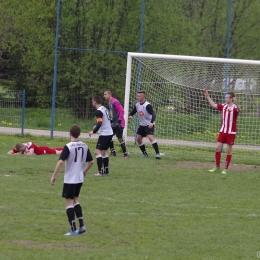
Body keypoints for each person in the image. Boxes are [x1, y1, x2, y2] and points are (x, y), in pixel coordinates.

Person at [50, 124, 94, 236]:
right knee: (75, 200)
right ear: (79, 134)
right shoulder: (84, 145)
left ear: (70, 133)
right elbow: (91, 162)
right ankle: (82, 225)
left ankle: (73, 229)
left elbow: (60, 161)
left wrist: (54, 175)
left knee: (69, 203)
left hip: (70, 179)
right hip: (79, 178)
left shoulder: (68, 146)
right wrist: (84, 171)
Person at [203, 89, 240, 174]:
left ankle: (226, 169)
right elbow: (214, 105)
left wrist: (236, 103)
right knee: (217, 148)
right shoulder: (223, 106)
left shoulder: (235, 107)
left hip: (231, 132)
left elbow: (239, 110)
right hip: (223, 131)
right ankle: (217, 167)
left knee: (228, 150)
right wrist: (207, 96)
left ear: (231, 99)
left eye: (227, 97)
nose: (226, 99)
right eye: (225, 97)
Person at [128, 90, 161, 159]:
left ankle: (158, 153)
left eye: (139, 96)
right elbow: (133, 112)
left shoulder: (147, 105)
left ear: (143, 97)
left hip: (149, 124)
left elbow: (153, 114)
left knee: (150, 137)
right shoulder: (137, 105)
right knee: (138, 139)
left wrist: (151, 122)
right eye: (137, 96)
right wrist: (130, 115)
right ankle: (144, 153)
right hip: (142, 125)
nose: (137, 97)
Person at [88, 95, 114, 176]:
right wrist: (97, 126)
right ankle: (106, 171)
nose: (92, 103)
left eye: (92, 101)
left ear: (95, 102)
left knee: (97, 152)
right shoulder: (104, 108)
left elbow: (100, 122)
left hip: (105, 134)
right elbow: (103, 121)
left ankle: (100, 172)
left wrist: (93, 131)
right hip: (109, 133)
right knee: (103, 152)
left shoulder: (98, 111)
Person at [103, 89, 128, 158]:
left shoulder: (115, 102)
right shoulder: (109, 103)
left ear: (109, 94)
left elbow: (122, 111)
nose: (104, 96)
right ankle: (113, 152)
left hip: (119, 123)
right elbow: (113, 113)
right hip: (114, 123)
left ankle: (125, 153)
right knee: (109, 136)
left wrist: (119, 121)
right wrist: (111, 120)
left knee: (119, 137)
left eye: (105, 94)